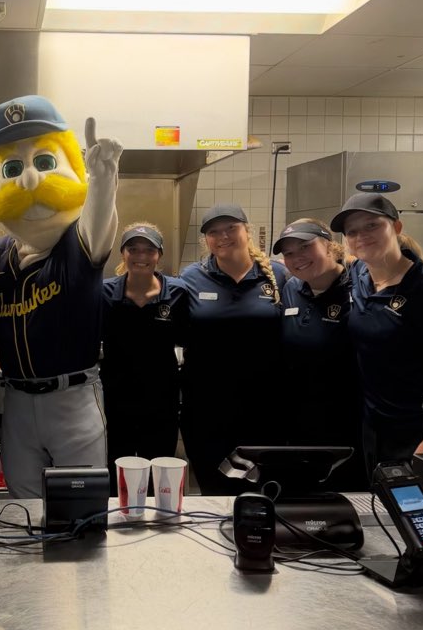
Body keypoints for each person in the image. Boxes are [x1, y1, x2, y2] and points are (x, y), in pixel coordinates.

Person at [0, 95, 122, 498]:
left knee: (80, 508)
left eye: (45, 163)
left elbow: (97, 220)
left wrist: (103, 179)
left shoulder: (77, 243)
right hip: (15, 400)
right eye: (12, 169)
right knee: (23, 505)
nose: (29, 181)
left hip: (73, 398)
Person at [329, 193, 423, 475]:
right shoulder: (359, 275)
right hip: (372, 429)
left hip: (415, 434)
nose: (362, 236)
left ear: (396, 228)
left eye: (372, 225)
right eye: (352, 231)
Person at [178, 204, 289, 496]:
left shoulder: (278, 276)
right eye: (213, 232)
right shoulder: (191, 277)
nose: (223, 236)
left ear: (247, 230)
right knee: (214, 490)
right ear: (206, 240)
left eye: (230, 228)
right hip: (206, 408)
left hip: (265, 408)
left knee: (264, 491)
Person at [274, 218, 365, 489]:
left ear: (328, 245)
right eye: (288, 253)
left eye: (305, 247)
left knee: (344, 502)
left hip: (348, 424)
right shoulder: (291, 288)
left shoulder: (359, 288)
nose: (296, 257)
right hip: (297, 422)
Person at [101, 223, 188, 492]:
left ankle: (160, 525)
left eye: (149, 250)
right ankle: (118, 524)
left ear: (159, 254)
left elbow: (190, 338)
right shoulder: (104, 294)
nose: (141, 256)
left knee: (160, 475)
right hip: (116, 402)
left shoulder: (177, 293)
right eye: (133, 249)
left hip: (162, 402)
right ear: (122, 254)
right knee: (117, 475)